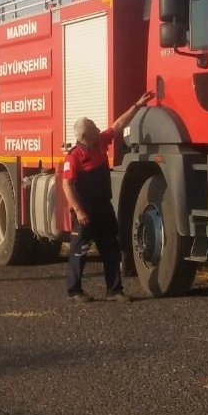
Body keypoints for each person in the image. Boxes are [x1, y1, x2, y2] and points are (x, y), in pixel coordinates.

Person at [63, 90, 155, 303]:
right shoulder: (74, 157)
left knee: (110, 249)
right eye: (94, 127)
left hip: (103, 207)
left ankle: (114, 290)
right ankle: (74, 290)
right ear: (85, 135)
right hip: (86, 210)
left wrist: (137, 104)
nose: (99, 129)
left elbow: (118, 125)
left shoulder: (100, 143)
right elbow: (67, 185)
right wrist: (78, 210)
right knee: (80, 252)